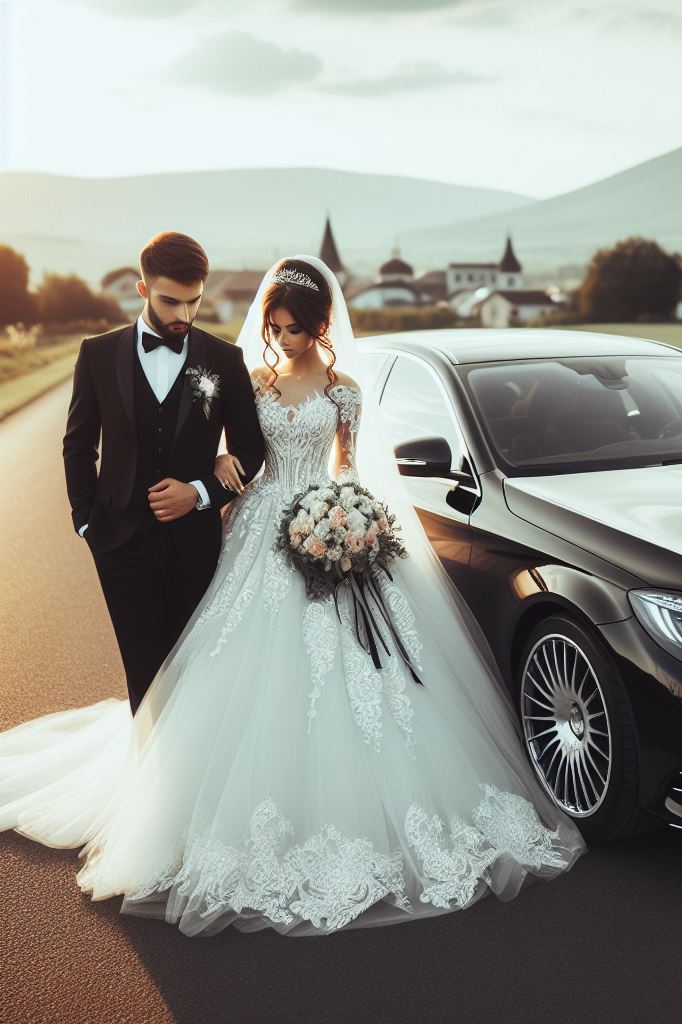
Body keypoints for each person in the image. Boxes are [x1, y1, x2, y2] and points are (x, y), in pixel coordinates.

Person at [0, 254, 586, 937]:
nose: (281, 340)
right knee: (228, 661)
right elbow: (233, 452)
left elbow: (357, 468)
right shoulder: (249, 379)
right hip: (259, 527)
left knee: (362, 682)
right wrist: (218, 471)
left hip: (330, 519)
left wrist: (352, 524)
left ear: (320, 326)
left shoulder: (345, 393)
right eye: (273, 328)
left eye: (294, 330)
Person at [62, 232, 266, 714]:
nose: (184, 315)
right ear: (143, 288)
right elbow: (77, 443)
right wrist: (86, 520)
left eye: (194, 302)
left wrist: (199, 492)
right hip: (118, 542)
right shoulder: (97, 353)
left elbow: (251, 449)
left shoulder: (224, 360)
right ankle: (149, 783)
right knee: (144, 674)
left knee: (191, 669)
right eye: (170, 301)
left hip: (194, 544)